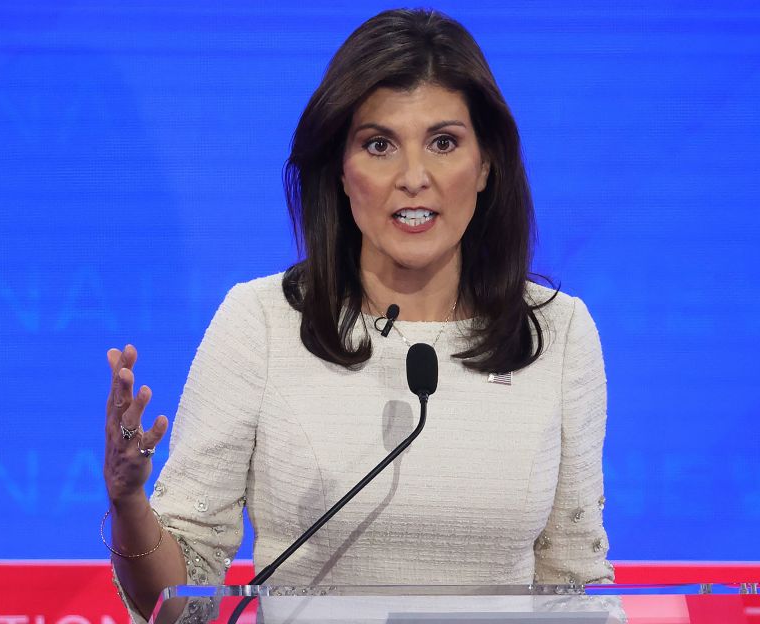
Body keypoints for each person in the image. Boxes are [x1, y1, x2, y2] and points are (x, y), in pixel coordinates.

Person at [103, 8, 613, 621]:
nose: (414, 178)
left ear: (486, 167)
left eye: (444, 143)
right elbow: (180, 607)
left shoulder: (556, 333)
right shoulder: (262, 323)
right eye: (379, 145)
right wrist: (129, 502)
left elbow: (573, 590)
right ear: (341, 172)